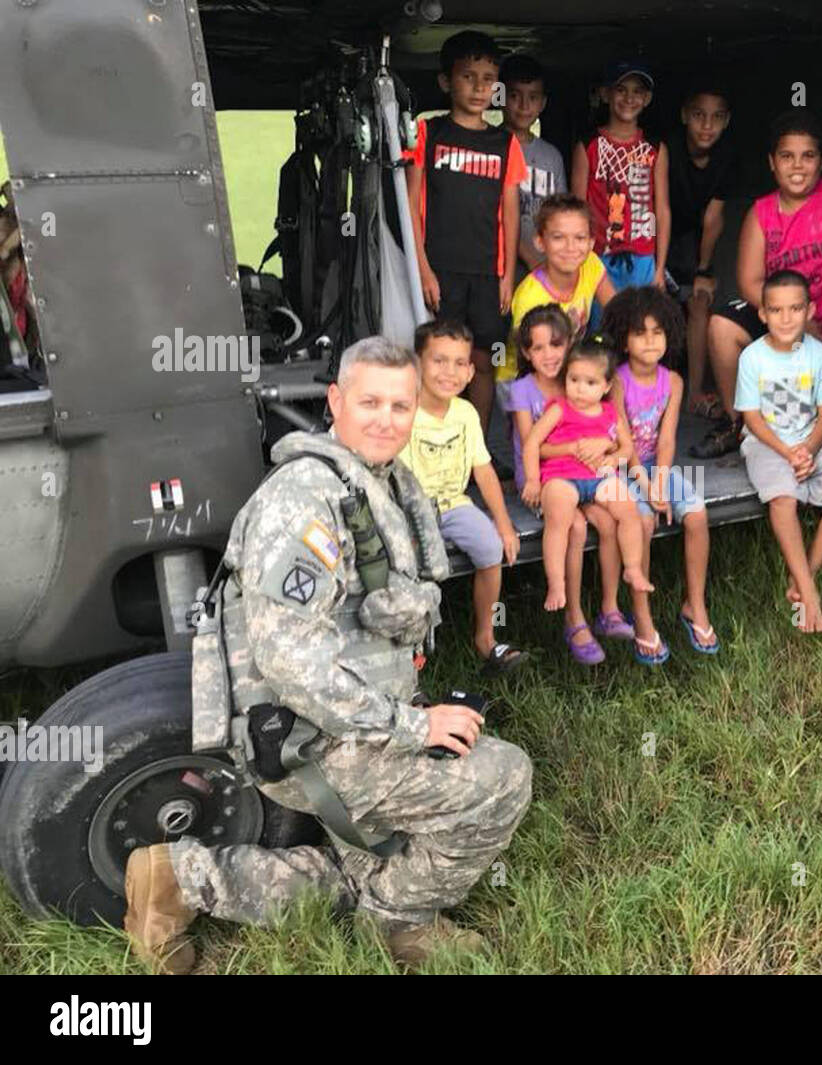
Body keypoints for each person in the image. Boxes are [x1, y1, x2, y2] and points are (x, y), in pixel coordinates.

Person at [123, 337, 533, 973]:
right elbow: (289, 658)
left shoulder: (380, 482)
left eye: (401, 405)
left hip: (344, 721)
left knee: (368, 867)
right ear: (336, 402)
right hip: (306, 739)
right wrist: (414, 726)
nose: (386, 419)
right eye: (369, 401)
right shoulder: (305, 500)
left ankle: (179, 879)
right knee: (502, 777)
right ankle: (400, 922)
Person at [695, 110, 822, 458]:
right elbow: (749, 282)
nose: (797, 166)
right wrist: (795, 322)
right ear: (772, 162)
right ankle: (738, 426)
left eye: (808, 156)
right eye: (787, 156)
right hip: (788, 333)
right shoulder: (762, 212)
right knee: (722, 324)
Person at [404, 30, 527, 434]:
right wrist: (423, 269)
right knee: (443, 361)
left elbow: (510, 211)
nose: (479, 87)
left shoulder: (504, 142)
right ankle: (438, 443)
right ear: (445, 81)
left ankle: (480, 450)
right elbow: (410, 205)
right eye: (468, 76)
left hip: (489, 275)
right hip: (441, 271)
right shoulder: (428, 133)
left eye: (488, 78)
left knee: (485, 361)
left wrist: (508, 275)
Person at [735, 270, 822, 634]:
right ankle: (808, 592)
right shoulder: (752, 358)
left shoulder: (821, 356)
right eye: (776, 311)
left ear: (810, 310)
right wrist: (787, 452)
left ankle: (806, 572)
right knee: (783, 499)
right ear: (762, 314)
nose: (786, 318)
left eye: (795, 309)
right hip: (766, 442)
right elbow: (752, 417)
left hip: (811, 440)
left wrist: (807, 448)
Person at [398, 318, 528, 676]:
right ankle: (409, 649)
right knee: (408, 563)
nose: (449, 372)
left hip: (453, 504)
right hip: (409, 511)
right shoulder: (403, 412)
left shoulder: (466, 413)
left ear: (472, 371)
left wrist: (503, 524)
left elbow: (483, 471)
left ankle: (486, 637)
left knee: (490, 549)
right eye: (439, 360)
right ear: (417, 364)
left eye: (459, 363)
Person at [505, 304, 632, 665]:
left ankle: (609, 609)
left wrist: (604, 447)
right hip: (540, 476)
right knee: (575, 527)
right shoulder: (524, 389)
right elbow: (537, 447)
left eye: (556, 345)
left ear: (570, 344)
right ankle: (573, 617)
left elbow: (611, 431)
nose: (549, 355)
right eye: (538, 347)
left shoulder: (577, 380)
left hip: (584, 474)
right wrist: (577, 448)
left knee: (608, 523)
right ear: (527, 352)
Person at [605, 286, 718, 656]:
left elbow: (667, 439)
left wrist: (662, 481)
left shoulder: (673, 381)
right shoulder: (616, 382)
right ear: (624, 340)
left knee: (698, 513)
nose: (650, 341)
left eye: (658, 332)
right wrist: (647, 486)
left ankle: (694, 604)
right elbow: (623, 442)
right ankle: (642, 615)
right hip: (622, 469)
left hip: (658, 467)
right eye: (640, 333)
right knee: (644, 523)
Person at [521, 339, 655, 639]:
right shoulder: (559, 408)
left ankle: (632, 567)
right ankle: (556, 582)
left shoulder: (610, 414)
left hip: (598, 477)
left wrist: (612, 458)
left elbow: (626, 448)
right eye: (574, 380)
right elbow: (533, 444)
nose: (580, 388)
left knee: (628, 510)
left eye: (590, 382)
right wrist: (532, 479)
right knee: (559, 520)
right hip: (561, 477)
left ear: (607, 386)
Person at [572, 60, 671, 316]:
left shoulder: (655, 148)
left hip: (642, 257)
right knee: (600, 334)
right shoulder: (588, 145)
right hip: (596, 258)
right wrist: (578, 261)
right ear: (606, 94)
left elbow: (662, 209)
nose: (629, 98)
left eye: (637, 91)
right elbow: (577, 210)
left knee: (639, 330)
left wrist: (659, 269)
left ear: (647, 98)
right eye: (621, 89)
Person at [664, 79, 738, 417]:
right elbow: (658, 207)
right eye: (698, 115)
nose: (707, 126)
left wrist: (703, 271)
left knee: (699, 302)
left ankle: (694, 392)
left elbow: (714, 218)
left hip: (698, 237)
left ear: (727, 120)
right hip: (659, 230)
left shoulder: (727, 157)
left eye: (717, 117)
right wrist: (657, 263)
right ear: (683, 115)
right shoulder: (668, 148)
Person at [501, 194, 616, 385]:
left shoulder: (591, 264)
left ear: (591, 243)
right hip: (523, 377)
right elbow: (534, 362)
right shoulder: (530, 297)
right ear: (540, 242)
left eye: (579, 238)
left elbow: (618, 310)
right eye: (558, 237)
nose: (570, 247)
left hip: (565, 369)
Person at [499, 54, 569, 279]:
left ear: (543, 103)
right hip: (499, 267)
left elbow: (561, 214)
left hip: (545, 266)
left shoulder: (551, 157)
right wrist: (530, 259)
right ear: (499, 96)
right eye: (514, 96)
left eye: (533, 97)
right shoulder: (489, 146)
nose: (524, 106)